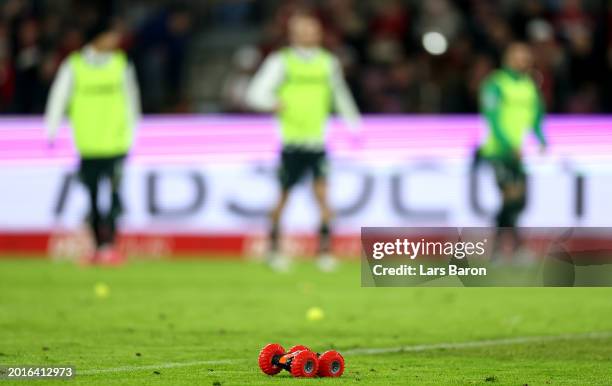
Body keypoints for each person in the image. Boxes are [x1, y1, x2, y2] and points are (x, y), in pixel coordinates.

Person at [246, 10, 361, 271]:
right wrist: (271, 103)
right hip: (291, 140)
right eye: (303, 29)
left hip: (318, 140)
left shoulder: (327, 63)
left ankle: (324, 251)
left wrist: (354, 124)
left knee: (322, 196)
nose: (308, 34)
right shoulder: (281, 62)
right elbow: (254, 93)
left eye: (312, 29)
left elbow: (340, 95)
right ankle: (274, 250)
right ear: (293, 33)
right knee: (283, 196)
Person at [45, 20, 141, 265]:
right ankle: (97, 245)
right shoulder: (74, 65)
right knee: (92, 197)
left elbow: (132, 99)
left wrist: (133, 132)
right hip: (87, 143)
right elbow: (59, 97)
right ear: (97, 38)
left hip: (116, 143)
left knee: (115, 196)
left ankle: (110, 245)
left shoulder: (121, 63)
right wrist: (51, 130)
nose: (115, 41)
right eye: (110, 35)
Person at [478, 42, 546, 258]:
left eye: (526, 56)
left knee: (519, 201)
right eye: (520, 56)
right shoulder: (495, 84)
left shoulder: (529, 85)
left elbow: (536, 115)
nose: (524, 60)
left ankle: (504, 247)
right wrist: (508, 145)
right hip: (499, 151)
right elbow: (492, 118)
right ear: (508, 58)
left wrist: (541, 138)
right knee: (511, 197)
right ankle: (508, 248)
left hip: (519, 152)